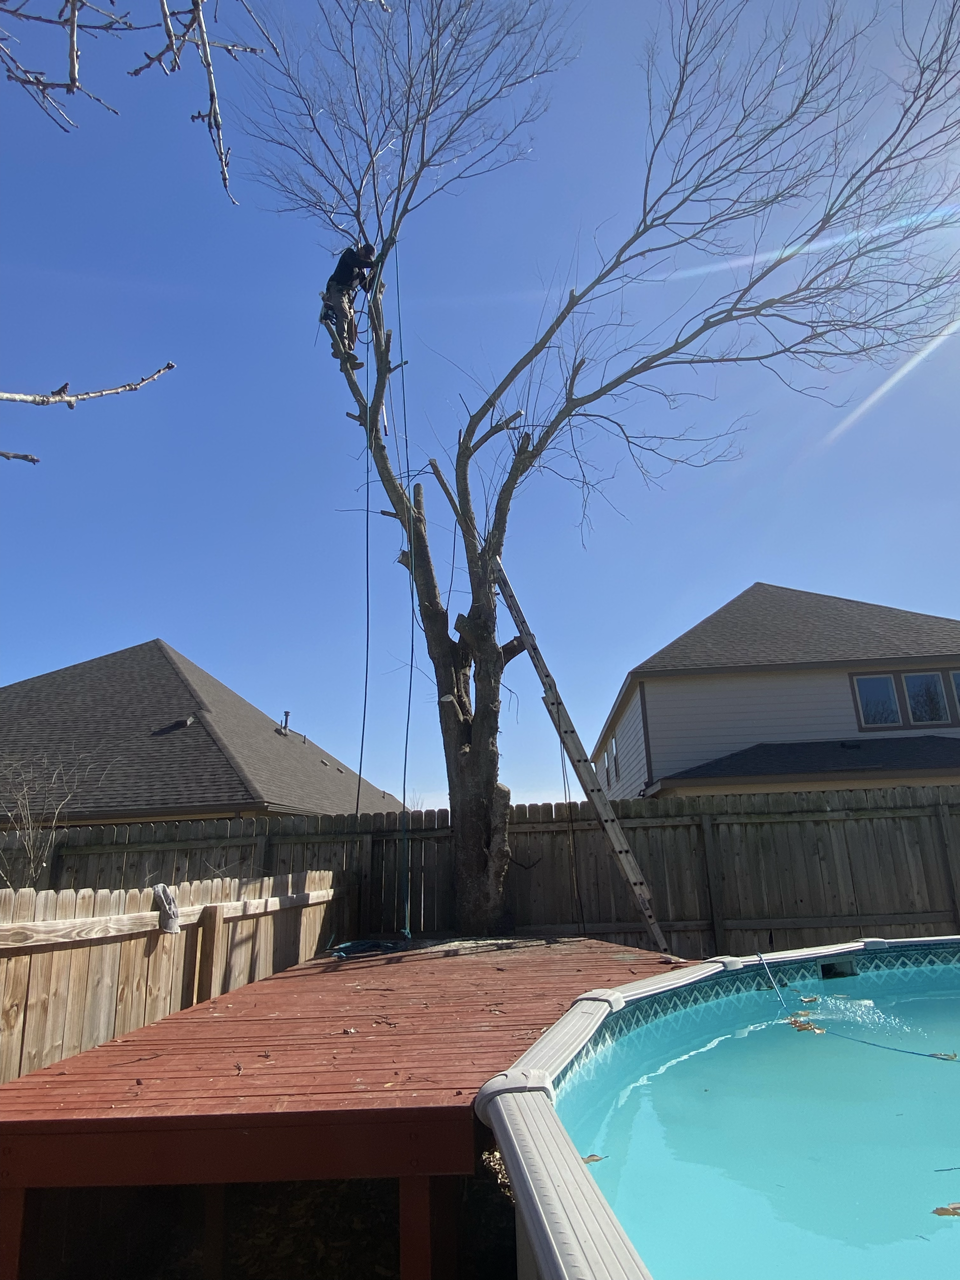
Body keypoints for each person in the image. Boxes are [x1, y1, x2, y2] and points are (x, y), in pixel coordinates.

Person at [320, 243, 376, 368]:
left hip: (346, 296)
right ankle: (341, 346)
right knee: (343, 314)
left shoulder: (360, 271)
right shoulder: (350, 254)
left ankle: (347, 354)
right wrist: (372, 264)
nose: (365, 260)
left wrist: (375, 272)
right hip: (336, 289)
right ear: (361, 250)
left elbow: (367, 287)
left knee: (352, 329)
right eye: (365, 257)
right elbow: (354, 261)